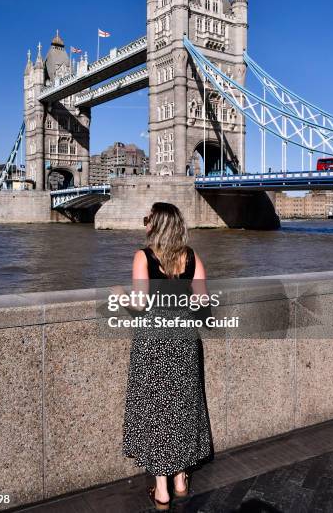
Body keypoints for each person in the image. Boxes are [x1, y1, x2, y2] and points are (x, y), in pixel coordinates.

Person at [122, 202, 213, 511]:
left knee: (156, 408)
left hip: (153, 341)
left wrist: (119, 297)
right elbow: (202, 303)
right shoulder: (192, 257)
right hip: (185, 339)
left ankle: (162, 489)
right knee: (184, 404)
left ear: (156, 225)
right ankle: (181, 480)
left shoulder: (143, 257)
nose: (144, 222)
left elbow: (138, 303)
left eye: (148, 218)